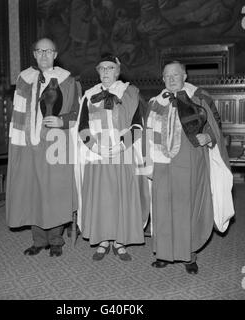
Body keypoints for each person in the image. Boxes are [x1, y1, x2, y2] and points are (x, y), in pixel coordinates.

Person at [146, 61, 233, 274]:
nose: (172, 79)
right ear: (163, 79)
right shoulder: (155, 103)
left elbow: (217, 126)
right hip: (162, 163)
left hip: (191, 161)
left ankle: (188, 255)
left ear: (185, 75)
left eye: (176, 74)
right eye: (167, 76)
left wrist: (209, 136)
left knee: (188, 207)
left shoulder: (200, 97)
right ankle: (164, 253)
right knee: (163, 208)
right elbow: (147, 134)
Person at [6, 38, 81, 257]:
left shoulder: (67, 80)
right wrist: (17, 143)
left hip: (55, 144)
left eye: (48, 51)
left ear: (55, 54)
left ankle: (55, 240)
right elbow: (16, 114)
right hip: (28, 143)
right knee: (33, 191)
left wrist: (62, 121)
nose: (44, 55)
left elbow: (77, 112)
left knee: (53, 191)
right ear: (34, 54)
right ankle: (38, 240)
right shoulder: (24, 79)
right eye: (39, 51)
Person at [76, 54, 150, 261]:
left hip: (123, 154)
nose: (106, 72)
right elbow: (82, 126)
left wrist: (120, 147)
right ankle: (102, 240)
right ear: (98, 72)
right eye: (102, 69)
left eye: (110, 68)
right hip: (96, 154)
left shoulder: (130, 93)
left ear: (118, 71)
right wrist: (95, 147)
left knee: (121, 197)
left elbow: (138, 125)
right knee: (101, 199)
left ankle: (119, 241)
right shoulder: (89, 95)